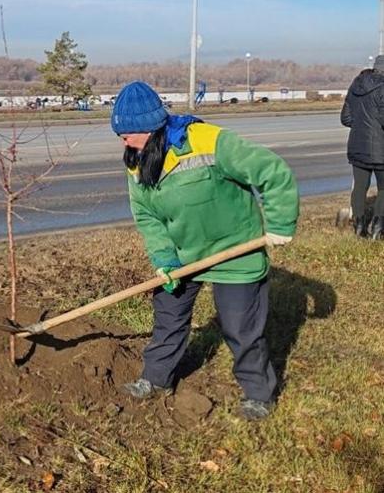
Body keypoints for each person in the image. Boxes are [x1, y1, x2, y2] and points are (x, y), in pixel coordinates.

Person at [111, 81, 298, 421]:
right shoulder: (137, 161)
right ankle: (155, 379)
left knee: (241, 328)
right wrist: (164, 258)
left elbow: (272, 172)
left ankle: (258, 394)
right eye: (120, 134)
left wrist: (281, 224)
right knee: (168, 317)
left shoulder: (209, 141)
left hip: (235, 251)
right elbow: (148, 216)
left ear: (151, 126)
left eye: (128, 133)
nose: (124, 141)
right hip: (184, 255)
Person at [340, 55, 384, 238]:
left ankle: (359, 226)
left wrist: (362, 127)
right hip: (381, 148)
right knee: (383, 189)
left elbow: (346, 118)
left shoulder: (356, 85)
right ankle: (378, 225)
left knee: (359, 187)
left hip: (357, 146)